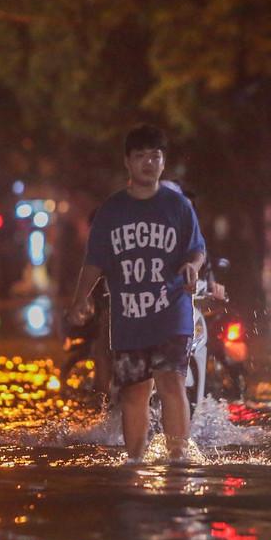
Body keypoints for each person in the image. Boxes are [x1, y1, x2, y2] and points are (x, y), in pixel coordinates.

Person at [68, 125, 206, 463]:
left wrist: (192, 266)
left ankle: (178, 461)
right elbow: (94, 261)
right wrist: (80, 298)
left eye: (155, 157)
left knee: (172, 383)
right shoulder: (112, 212)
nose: (148, 163)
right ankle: (135, 463)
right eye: (141, 156)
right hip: (128, 317)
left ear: (163, 162)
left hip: (172, 311)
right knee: (134, 390)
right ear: (127, 162)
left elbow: (197, 249)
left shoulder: (178, 207)